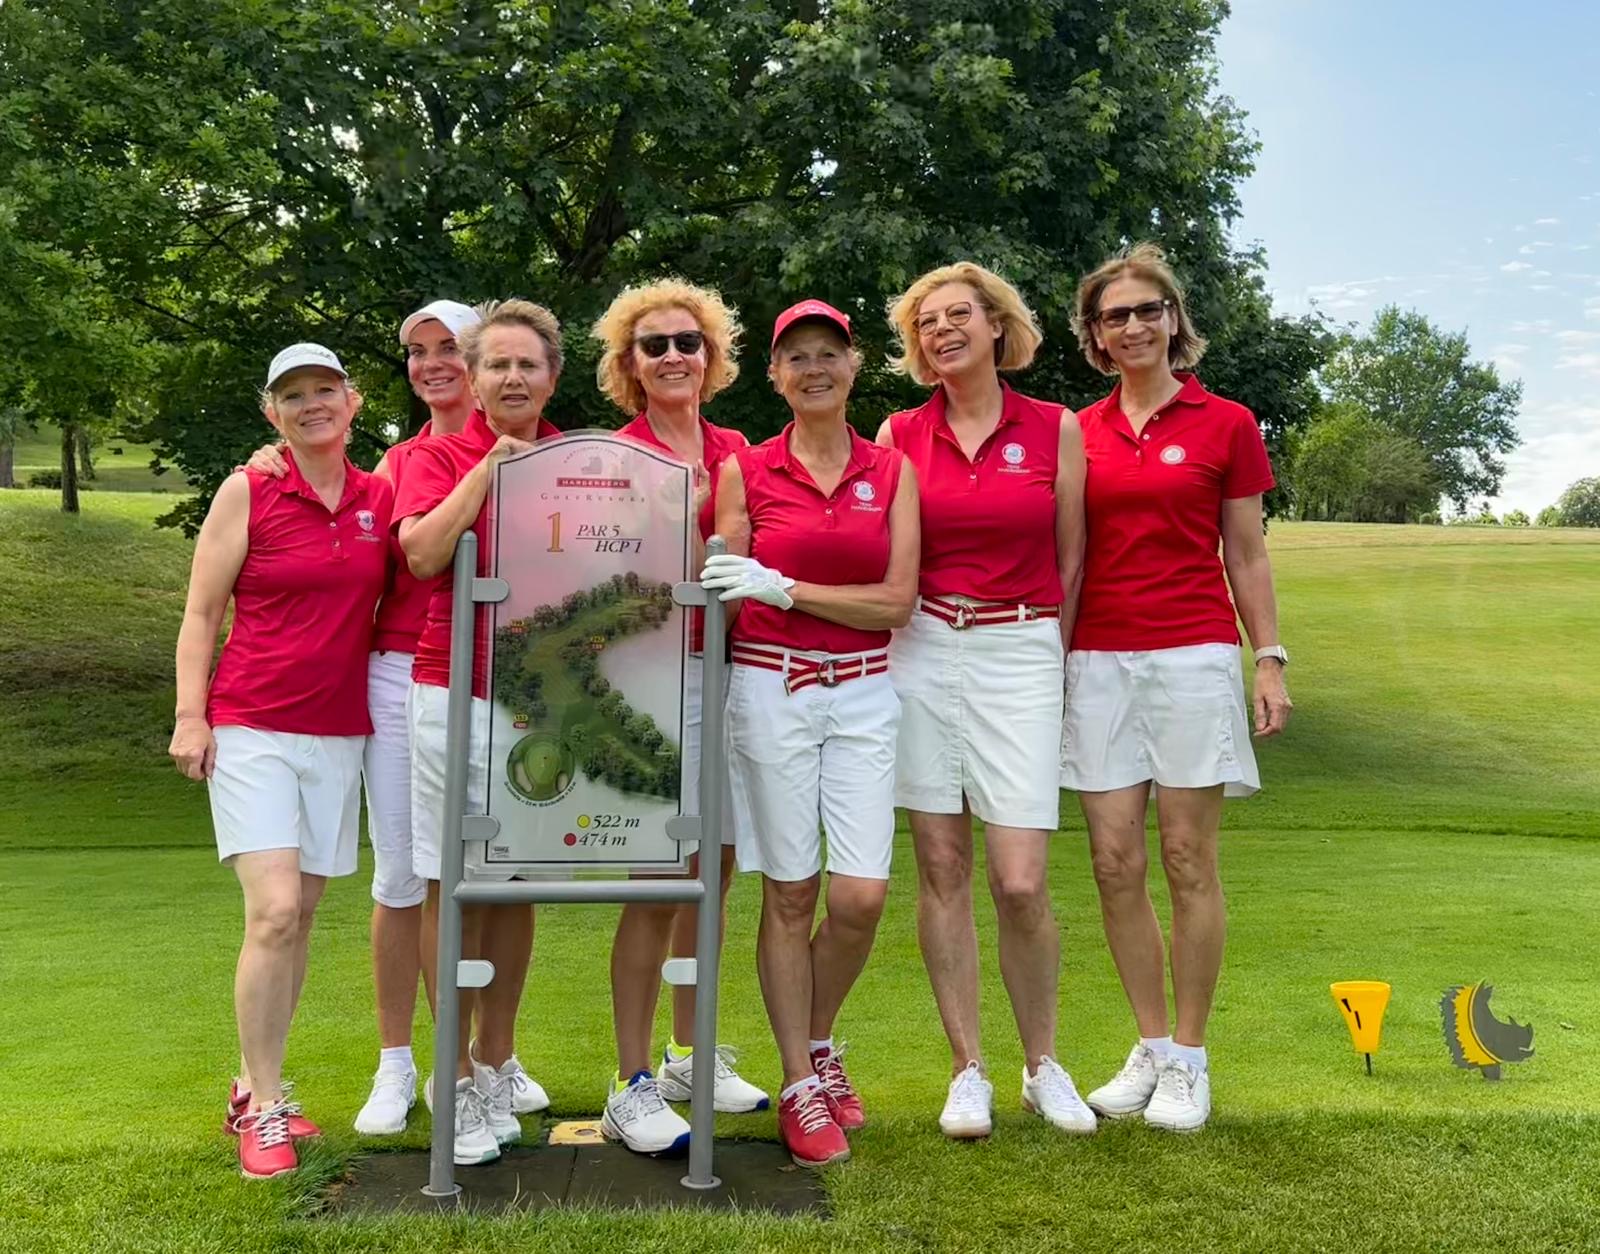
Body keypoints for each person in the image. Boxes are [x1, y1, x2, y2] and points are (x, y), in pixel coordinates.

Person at [244, 301, 553, 1136]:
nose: (432, 363)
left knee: (501, 875)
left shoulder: (545, 444)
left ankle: (494, 1055)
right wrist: (276, 456)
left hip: (505, 676)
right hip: (406, 673)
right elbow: (359, 517)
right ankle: (400, 1063)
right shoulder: (399, 463)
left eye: (449, 347)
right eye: (415, 352)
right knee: (411, 878)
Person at [1064, 242, 1293, 1132]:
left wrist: (1268, 657)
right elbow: (1070, 559)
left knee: (1188, 859)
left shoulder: (1226, 422)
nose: (1132, 326)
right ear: (1095, 334)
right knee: (1114, 862)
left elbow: (1247, 551)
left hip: (1192, 654)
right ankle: (1152, 1047)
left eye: (1146, 311)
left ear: (1173, 321)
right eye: (1114, 315)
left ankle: (1191, 1058)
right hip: (1095, 663)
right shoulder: (1075, 434)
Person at [877, 262, 1094, 1140]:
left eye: (959, 315)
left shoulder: (1057, 428)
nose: (942, 331)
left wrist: (1048, 649)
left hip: (1020, 646)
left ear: (998, 325)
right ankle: (968, 1068)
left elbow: (1072, 557)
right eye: (927, 323)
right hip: (923, 645)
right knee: (942, 867)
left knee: (1020, 878)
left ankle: (1042, 1064)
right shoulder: (898, 432)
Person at [704, 299, 919, 1168]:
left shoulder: (892, 471)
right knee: (791, 892)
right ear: (776, 376)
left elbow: (897, 603)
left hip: (865, 694)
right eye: (798, 357)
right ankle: (800, 1079)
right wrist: (758, 585)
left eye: (830, 353)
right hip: (772, 694)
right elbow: (728, 582)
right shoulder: (745, 473)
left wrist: (784, 587)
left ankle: (818, 1039)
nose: (815, 367)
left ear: (855, 366)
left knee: (861, 897)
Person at [170, 344, 392, 1179]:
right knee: (270, 913)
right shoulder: (248, 489)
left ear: (352, 400)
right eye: (292, 396)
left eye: (323, 390)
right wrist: (191, 717)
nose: (310, 405)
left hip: (340, 733)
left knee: (299, 915)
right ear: (273, 414)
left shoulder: (382, 495)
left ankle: (250, 1086)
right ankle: (265, 1106)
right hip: (253, 725)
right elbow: (201, 614)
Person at [589, 280, 768, 1155]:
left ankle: (687, 1056)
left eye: (686, 343)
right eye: (653, 344)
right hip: (647, 683)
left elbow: (735, 558)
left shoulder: (739, 449)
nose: (671, 357)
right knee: (654, 880)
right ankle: (627, 1081)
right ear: (629, 363)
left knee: (715, 870)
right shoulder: (611, 455)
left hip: (729, 672)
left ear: (711, 357)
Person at [394, 299, 563, 1165]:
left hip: (540, 702)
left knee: (517, 879)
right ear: (475, 375)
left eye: (527, 365)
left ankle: (497, 1061)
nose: (512, 378)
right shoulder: (434, 455)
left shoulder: (578, 461)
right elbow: (422, 554)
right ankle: (452, 1075)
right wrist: (491, 470)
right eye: (496, 365)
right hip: (451, 692)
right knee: (450, 881)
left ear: (551, 376)